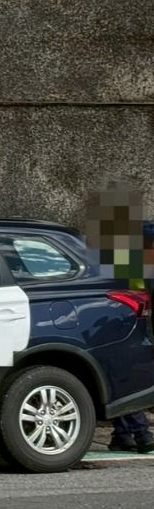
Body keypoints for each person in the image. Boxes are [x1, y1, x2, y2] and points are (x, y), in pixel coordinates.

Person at [87, 187, 153, 452]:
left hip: (127, 317)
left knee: (118, 373)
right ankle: (124, 434)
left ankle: (139, 433)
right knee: (121, 373)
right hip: (137, 316)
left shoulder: (123, 249)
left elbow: (129, 286)